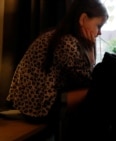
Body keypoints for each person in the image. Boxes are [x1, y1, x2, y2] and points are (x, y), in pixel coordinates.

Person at [6, 0, 108, 139]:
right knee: (99, 91)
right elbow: (88, 80)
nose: (100, 32)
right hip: (37, 107)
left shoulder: (61, 36)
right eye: (98, 25)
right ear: (83, 19)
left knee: (98, 92)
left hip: (35, 103)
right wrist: (91, 52)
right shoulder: (67, 42)